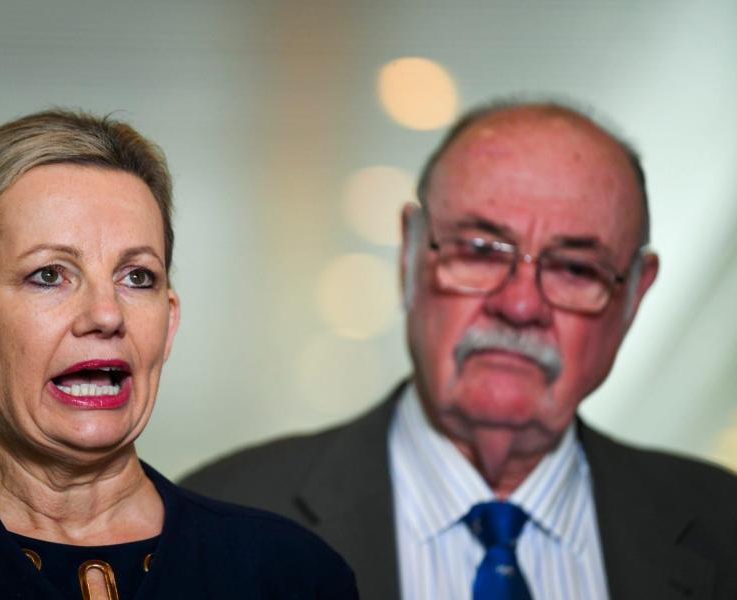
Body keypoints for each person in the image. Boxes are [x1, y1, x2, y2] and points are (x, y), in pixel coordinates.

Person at [0, 109, 358, 599]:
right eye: (50, 274)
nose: (106, 315)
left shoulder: (291, 576)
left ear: (170, 321)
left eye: (137, 277)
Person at [182, 101, 737, 599]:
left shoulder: (724, 527)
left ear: (634, 295)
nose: (520, 305)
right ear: (410, 255)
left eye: (575, 268)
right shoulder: (214, 527)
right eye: (478, 250)